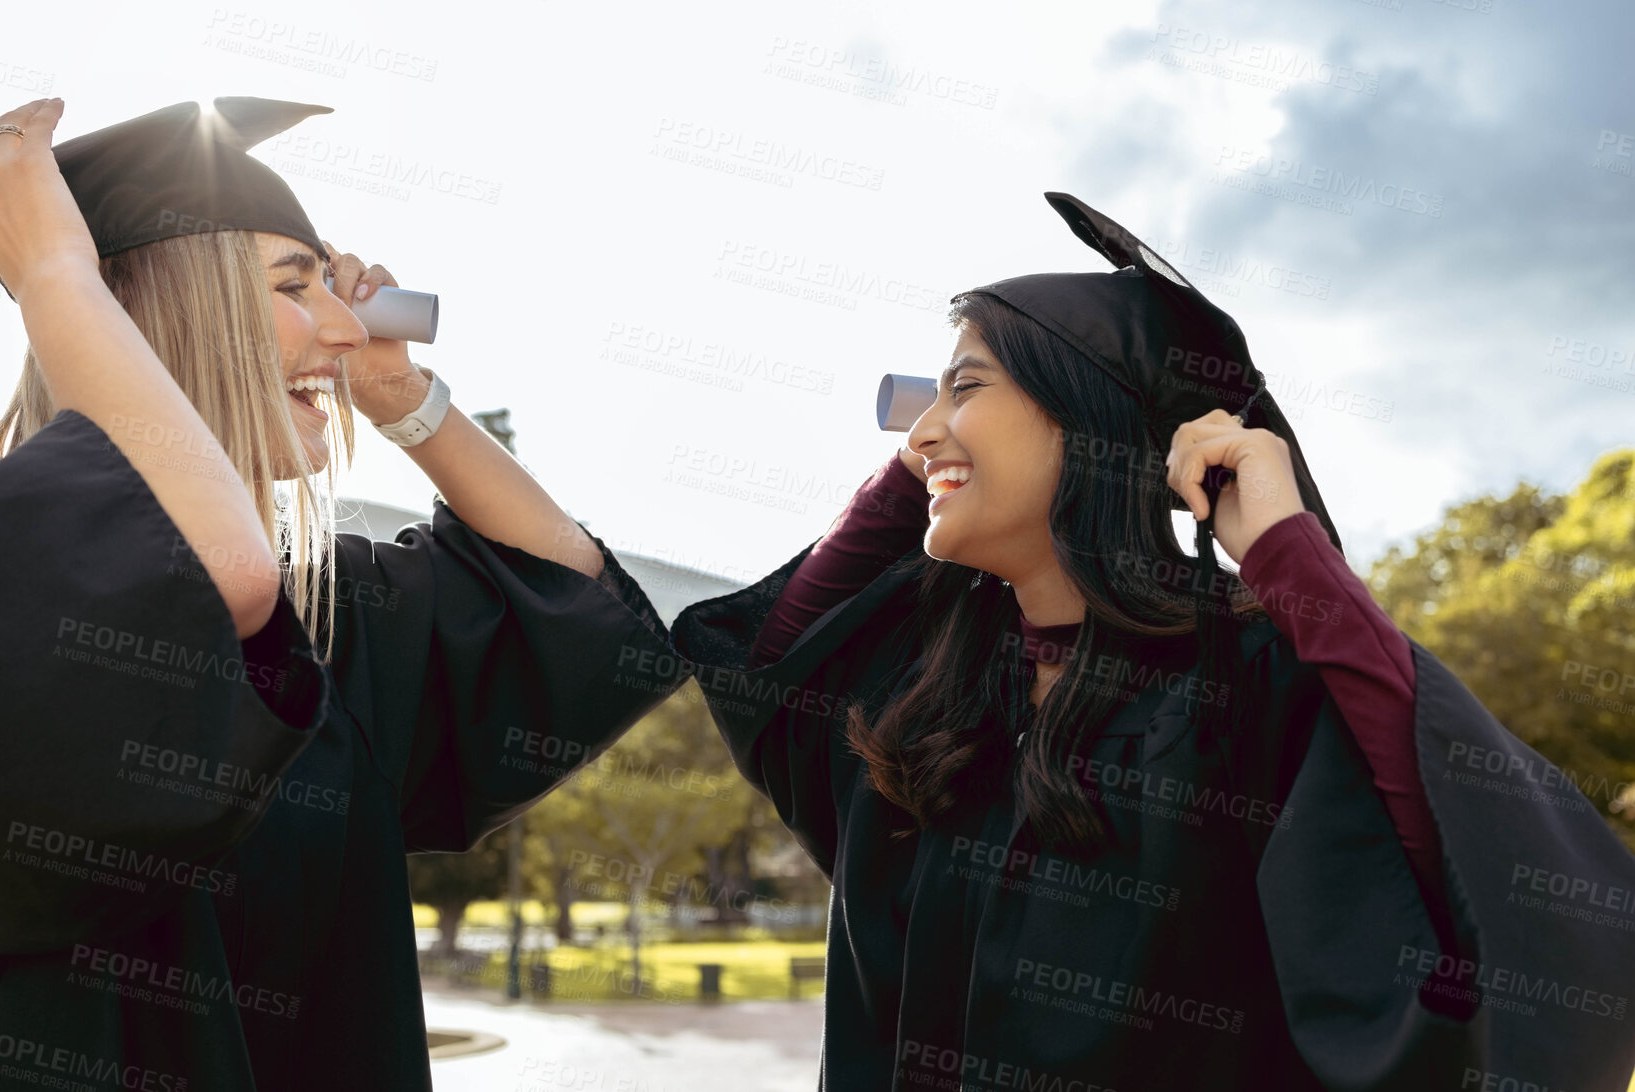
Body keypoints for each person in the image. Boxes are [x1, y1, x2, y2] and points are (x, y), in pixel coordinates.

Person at [0, 97, 690, 1090]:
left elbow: (576, 612)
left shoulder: (327, 625)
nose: (347, 327)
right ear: (148, 307)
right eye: (293, 285)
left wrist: (405, 403)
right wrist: (55, 272)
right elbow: (198, 571)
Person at [670, 193, 1635, 1090]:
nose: (919, 431)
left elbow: (1471, 869)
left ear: (1087, 414)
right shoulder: (933, 690)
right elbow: (769, 664)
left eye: (965, 384)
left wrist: (1290, 560)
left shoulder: (1245, 681)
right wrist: (935, 454)